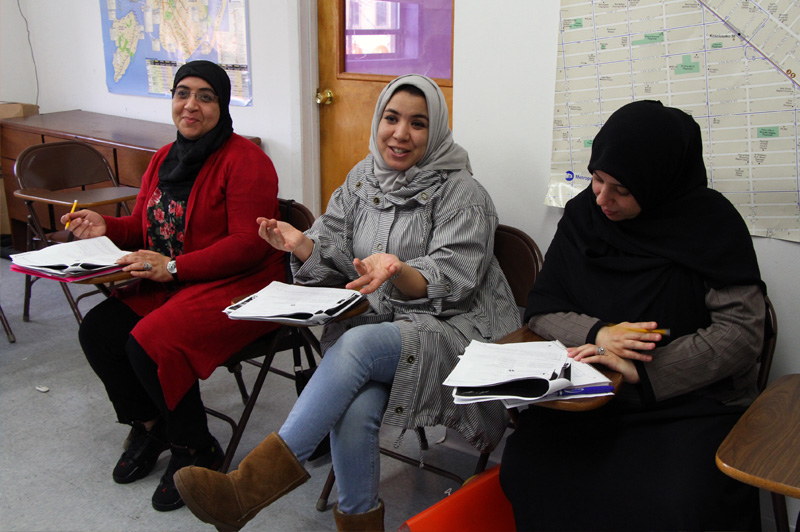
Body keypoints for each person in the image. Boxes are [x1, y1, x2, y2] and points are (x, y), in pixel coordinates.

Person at [172, 74, 521, 532]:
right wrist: (300, 245)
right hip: (386, 329)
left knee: (355, 348)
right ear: (377, 121)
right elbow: (334, 247)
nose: (400, 133)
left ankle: (246, 489)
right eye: (391, 119)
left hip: (459, 333)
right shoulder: (362, 178)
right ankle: (358, 523)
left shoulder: (463, 194)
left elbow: (454, 280)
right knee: (354, 405)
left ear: (435, 131)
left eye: (417, 124)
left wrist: (399, 270)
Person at [499, 100, 767, 531]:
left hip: (687, 402)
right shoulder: (585, 215)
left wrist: (645, 370)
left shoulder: (713, 225)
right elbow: (544, 307)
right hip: (591, 396)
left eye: (622, 189)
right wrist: (600, 333)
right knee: (527, 468)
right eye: (597, 178)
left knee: (672, 501)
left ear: (658, 182)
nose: (602, 197)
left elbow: (741, 335)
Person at [61, 61, 285, 512]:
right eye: (183, 93)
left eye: (206, 96)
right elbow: (144, 228)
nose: (192, 105)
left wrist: (175, 268)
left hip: (242, 284)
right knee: (99, 330)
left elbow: (247, 246)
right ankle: (151, 425)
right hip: (175, 276)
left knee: (151, 341)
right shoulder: (165, 157)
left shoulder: (248, 162)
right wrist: (107, 225)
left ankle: (195, 446)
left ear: (222, 106)